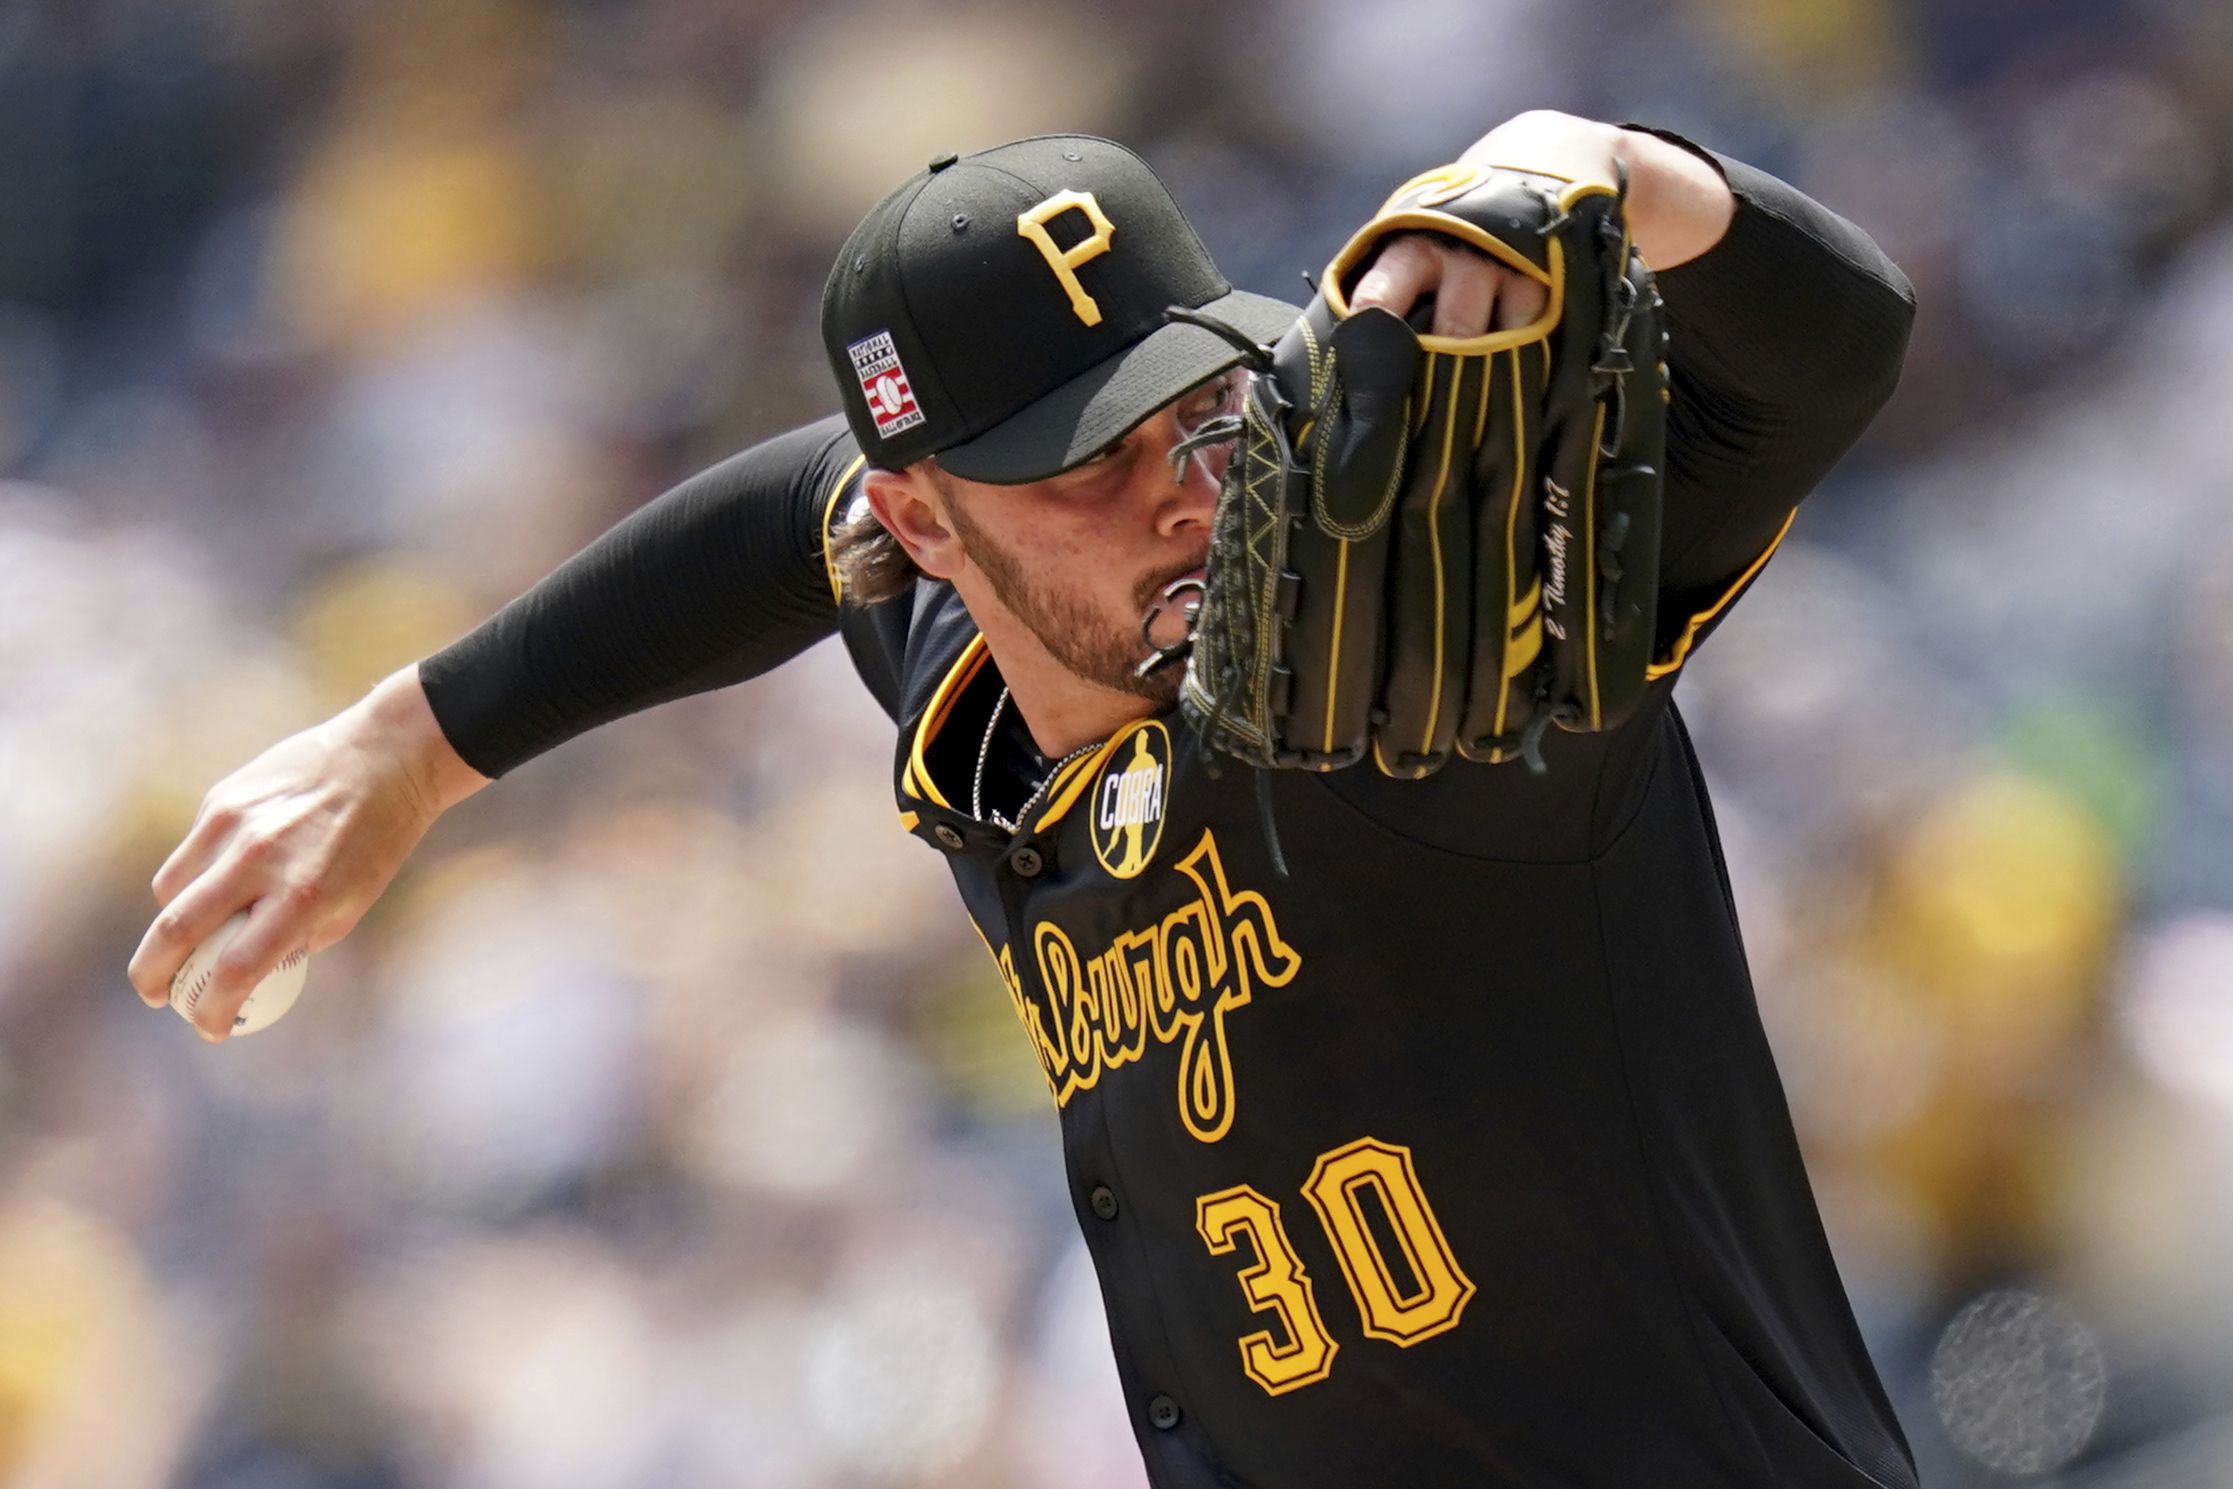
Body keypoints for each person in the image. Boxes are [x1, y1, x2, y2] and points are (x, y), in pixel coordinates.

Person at [129, 111, 1917, 1488]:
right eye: (1080, 459)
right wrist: (417, 741)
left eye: (1192, 407)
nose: (1178, 492)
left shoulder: (1423, 648)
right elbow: (776, 521)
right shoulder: (952, 671)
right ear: (921, 522)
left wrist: (1598, 163)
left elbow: (1824, 354)